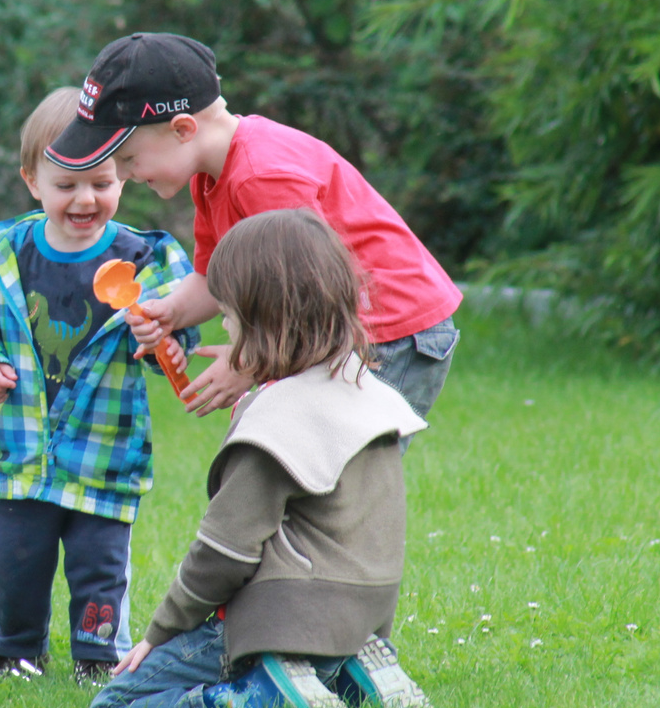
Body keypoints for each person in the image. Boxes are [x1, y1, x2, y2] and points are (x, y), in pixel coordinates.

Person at [88, 208, 431, 708]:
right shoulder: (366, 391)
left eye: (227, 316)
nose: (224, 329)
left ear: (263, 321)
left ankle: (255, 697)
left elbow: (224, 551)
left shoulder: (276, 419)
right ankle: (345, 672)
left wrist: (159, 632)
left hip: (288, 616)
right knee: (317, 649)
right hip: (366, 615)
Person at [44, 32, 462, 422]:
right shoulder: (210, 178)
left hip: (390, 331)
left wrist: (250, 364)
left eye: (129, 159)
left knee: (342, 466)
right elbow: (212, 278)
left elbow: (311, 298)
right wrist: (170, 311)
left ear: (183, 129)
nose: (124, 173)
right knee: (296, 454)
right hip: (338, 329)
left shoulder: (261, 177)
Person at [0, 87, 198, 685]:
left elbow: (177, 348)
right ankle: (17, 652)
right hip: (21, 454)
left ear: (124, 178)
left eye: (102, 183)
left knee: (99, 567)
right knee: (15, 565)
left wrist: (157, 336)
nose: (85, 199)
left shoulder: (148, 261)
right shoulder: (5, 254)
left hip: (104, 452)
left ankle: (98, 659)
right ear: (32, 181)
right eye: (66, 185)